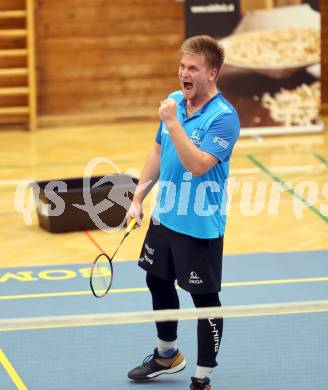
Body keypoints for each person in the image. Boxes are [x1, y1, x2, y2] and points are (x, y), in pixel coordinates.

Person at [125, 35, 240, 390]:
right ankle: (167, 354)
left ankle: (203, 376)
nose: (183, 74)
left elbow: (199, 165)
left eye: (192, 68)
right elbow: (157, 153)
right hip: (166, 216)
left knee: (204, 300)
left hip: (200, 225)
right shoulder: (175, 102)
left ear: (211, 73)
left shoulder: (225, 118)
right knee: (156, 280)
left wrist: (174, 123)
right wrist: (138, 198)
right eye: (181, 66)